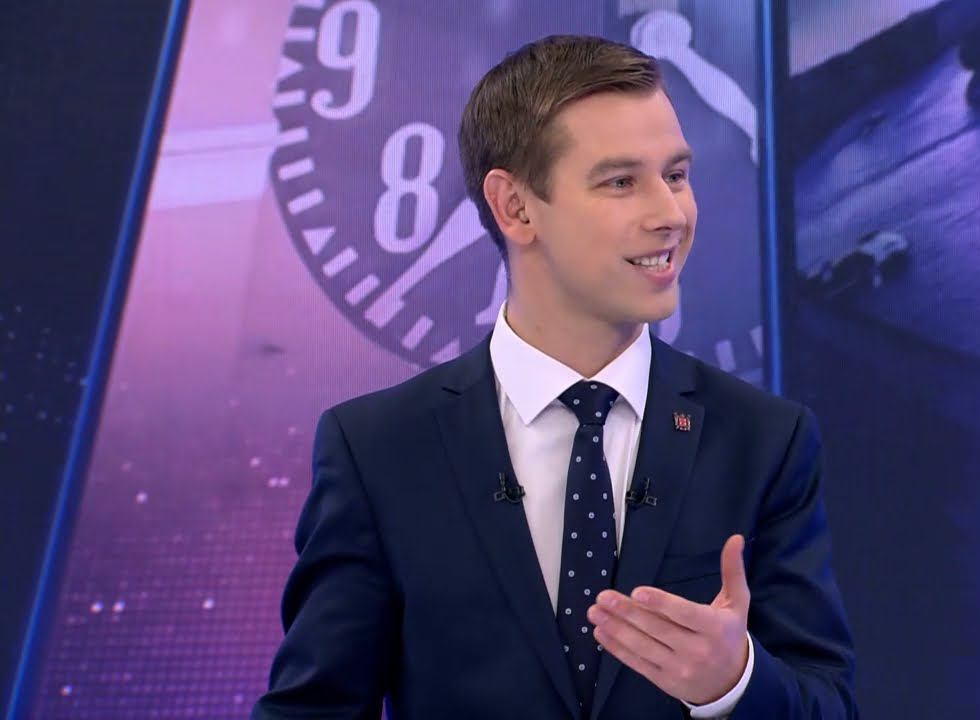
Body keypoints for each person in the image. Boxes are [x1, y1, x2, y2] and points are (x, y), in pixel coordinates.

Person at [253, 34, 856, 720]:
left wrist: (734, 684)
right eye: (621, 182)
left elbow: (829, 704)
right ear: (515, 206)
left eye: (676, 175)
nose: (671, 215)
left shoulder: (764, 441)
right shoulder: (379, 449)